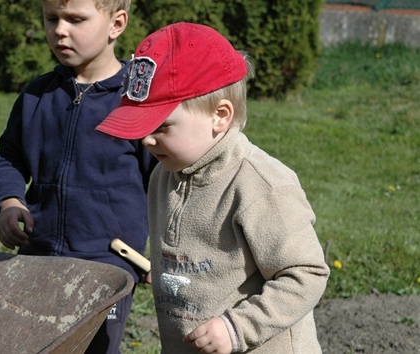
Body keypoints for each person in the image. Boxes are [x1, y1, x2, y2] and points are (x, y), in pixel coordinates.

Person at [96, 22, 330, 353]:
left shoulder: (259, 185)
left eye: (161, 126)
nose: (145, 139)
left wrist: (238, 328)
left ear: (219, 116)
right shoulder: (165, 174)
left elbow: (306, 274)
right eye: (141, 126)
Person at [0, 0, 156, 353]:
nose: (60, 30)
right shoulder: (37, 96)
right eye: (52, 19)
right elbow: (10, 156)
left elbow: (165, 183)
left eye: (76, 19)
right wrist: (9, 200)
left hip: (109, 266)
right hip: (38, 256)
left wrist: (168, 250)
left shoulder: (137, 103)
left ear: (117, 24)